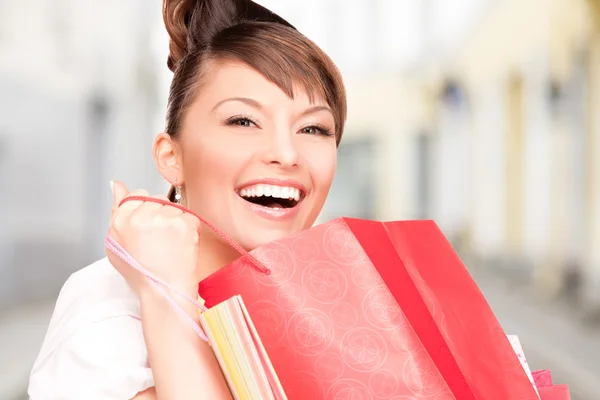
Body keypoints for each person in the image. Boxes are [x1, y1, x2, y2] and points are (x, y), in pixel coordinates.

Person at [27, 0, 346, 398]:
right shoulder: (109, 308)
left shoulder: (333, 307)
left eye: (314, 128)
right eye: (243, 121)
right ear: (171, 157)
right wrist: (164, 292)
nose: (287, 153)